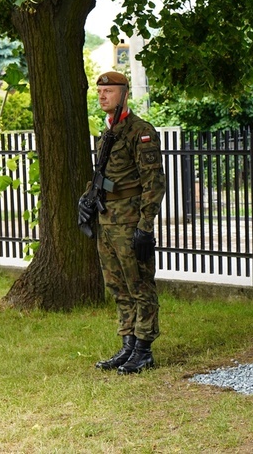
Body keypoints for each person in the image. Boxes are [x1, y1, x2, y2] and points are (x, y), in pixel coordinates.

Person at [79, 71, 166, 375]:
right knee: (117, 286)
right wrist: (88, 198)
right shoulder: (108, 131)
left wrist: (145, 225)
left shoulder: (139, 131)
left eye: (109, 90)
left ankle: (143, 349)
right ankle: (128, 344)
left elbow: (154, 182)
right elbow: (105, 176)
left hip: (130, 221)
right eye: (100, 90)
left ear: (124, 94)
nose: (102, 95)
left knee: (139, 284)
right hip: (107, 220)